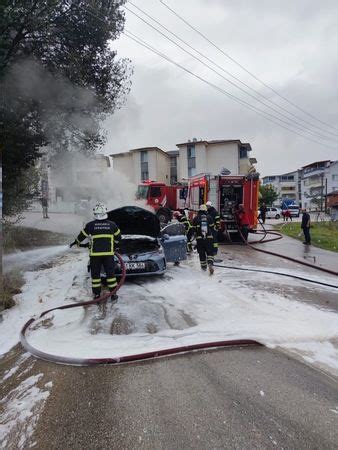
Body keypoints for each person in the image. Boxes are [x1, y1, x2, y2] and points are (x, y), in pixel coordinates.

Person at [70, 203, 121, 301]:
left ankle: (97, 295)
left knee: (96, 276)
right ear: (105, 212)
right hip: (108, 255)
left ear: (95, 213)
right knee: (111, 275)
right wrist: (113, 245)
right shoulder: (112, 225)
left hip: (95, 256)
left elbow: (81, 236)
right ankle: (113, 294)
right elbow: (119, 238)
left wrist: (75, 242)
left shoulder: (90, 225)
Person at [192, 204, 215, 274]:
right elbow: (212, 228)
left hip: (200, 239)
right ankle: (210, 264)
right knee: (210, 252)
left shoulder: (196, 218)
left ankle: (204, 268)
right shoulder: (209, 217)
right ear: (205, 210)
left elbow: (194, 230)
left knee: (202, 254)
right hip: (209, 239)